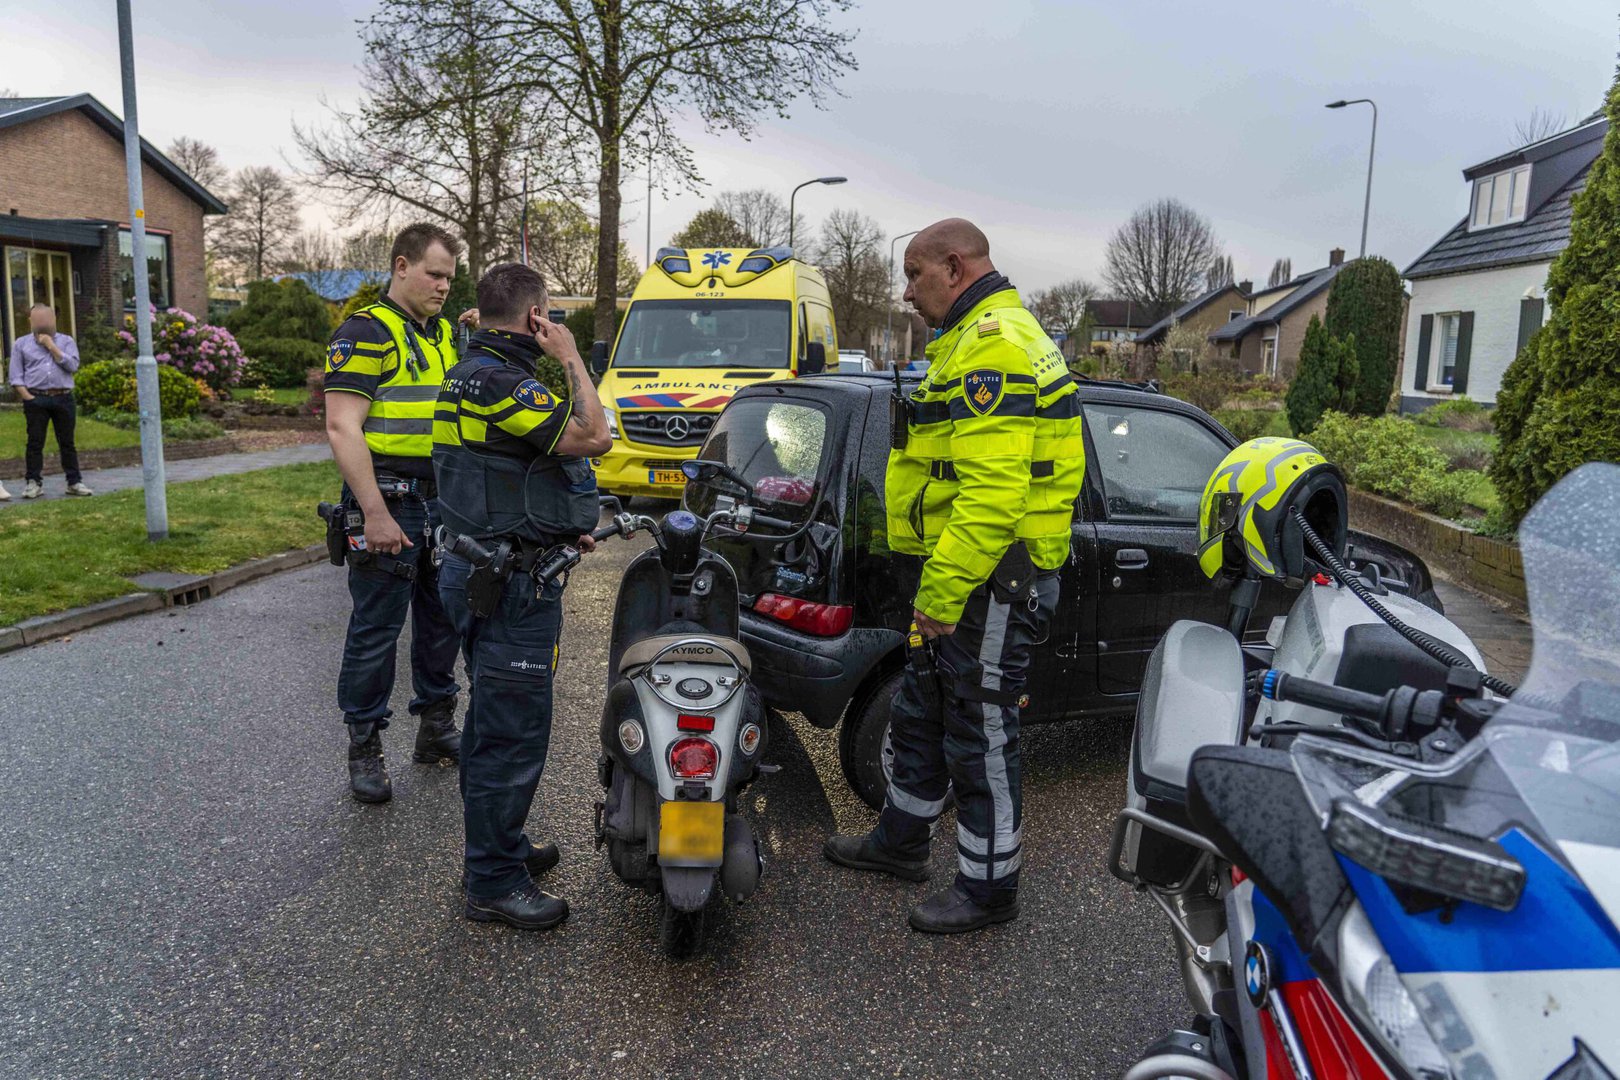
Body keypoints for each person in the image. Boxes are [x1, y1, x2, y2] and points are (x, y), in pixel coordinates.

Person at [823, 219, 1086, 933]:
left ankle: (989, 888)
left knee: (979, 729)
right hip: (962, 574)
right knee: (923, 711)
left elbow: (993, 496)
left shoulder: (994, 345)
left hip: (989, 582)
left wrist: (940, 596)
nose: (905, 291)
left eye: (914, 274)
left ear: (956, 265)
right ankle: (901, 842)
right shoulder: (971, 339)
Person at [432, 262, 611, 931]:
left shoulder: (473, 371)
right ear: (537, 316)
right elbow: (593, 436)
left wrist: (558, 524)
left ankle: (498, 851)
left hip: (492, 565)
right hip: (510, 584)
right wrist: (571, 358)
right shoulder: (500, 379)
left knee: (492, 723)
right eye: (551, 318)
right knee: (511, 732)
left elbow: (503, 470)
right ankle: (492, 882)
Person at [323, 222, 477, 803]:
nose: (443, 286)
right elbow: (342, 428)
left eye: (449, 278)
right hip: (389, 500)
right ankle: (364, 746)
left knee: (442, 622)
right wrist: (374, 511)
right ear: (401, 265)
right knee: (376, 630)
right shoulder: (365, 332)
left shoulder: (439, 333)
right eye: (435, 274)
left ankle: (435, 728)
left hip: (442, 503)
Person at [9, 304, 91, 499]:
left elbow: (72, 366)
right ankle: (33, 482)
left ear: (53, 319)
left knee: (67, 442)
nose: (41, 325)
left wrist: (51, 346)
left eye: (45, 320)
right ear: (31, 321)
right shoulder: (21, 344)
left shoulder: (67, 341)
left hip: (63, 397)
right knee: (35, 442)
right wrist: (27, 397)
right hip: (36, 398)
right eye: (37, 321)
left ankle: (74, 482)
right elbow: (15, 375)